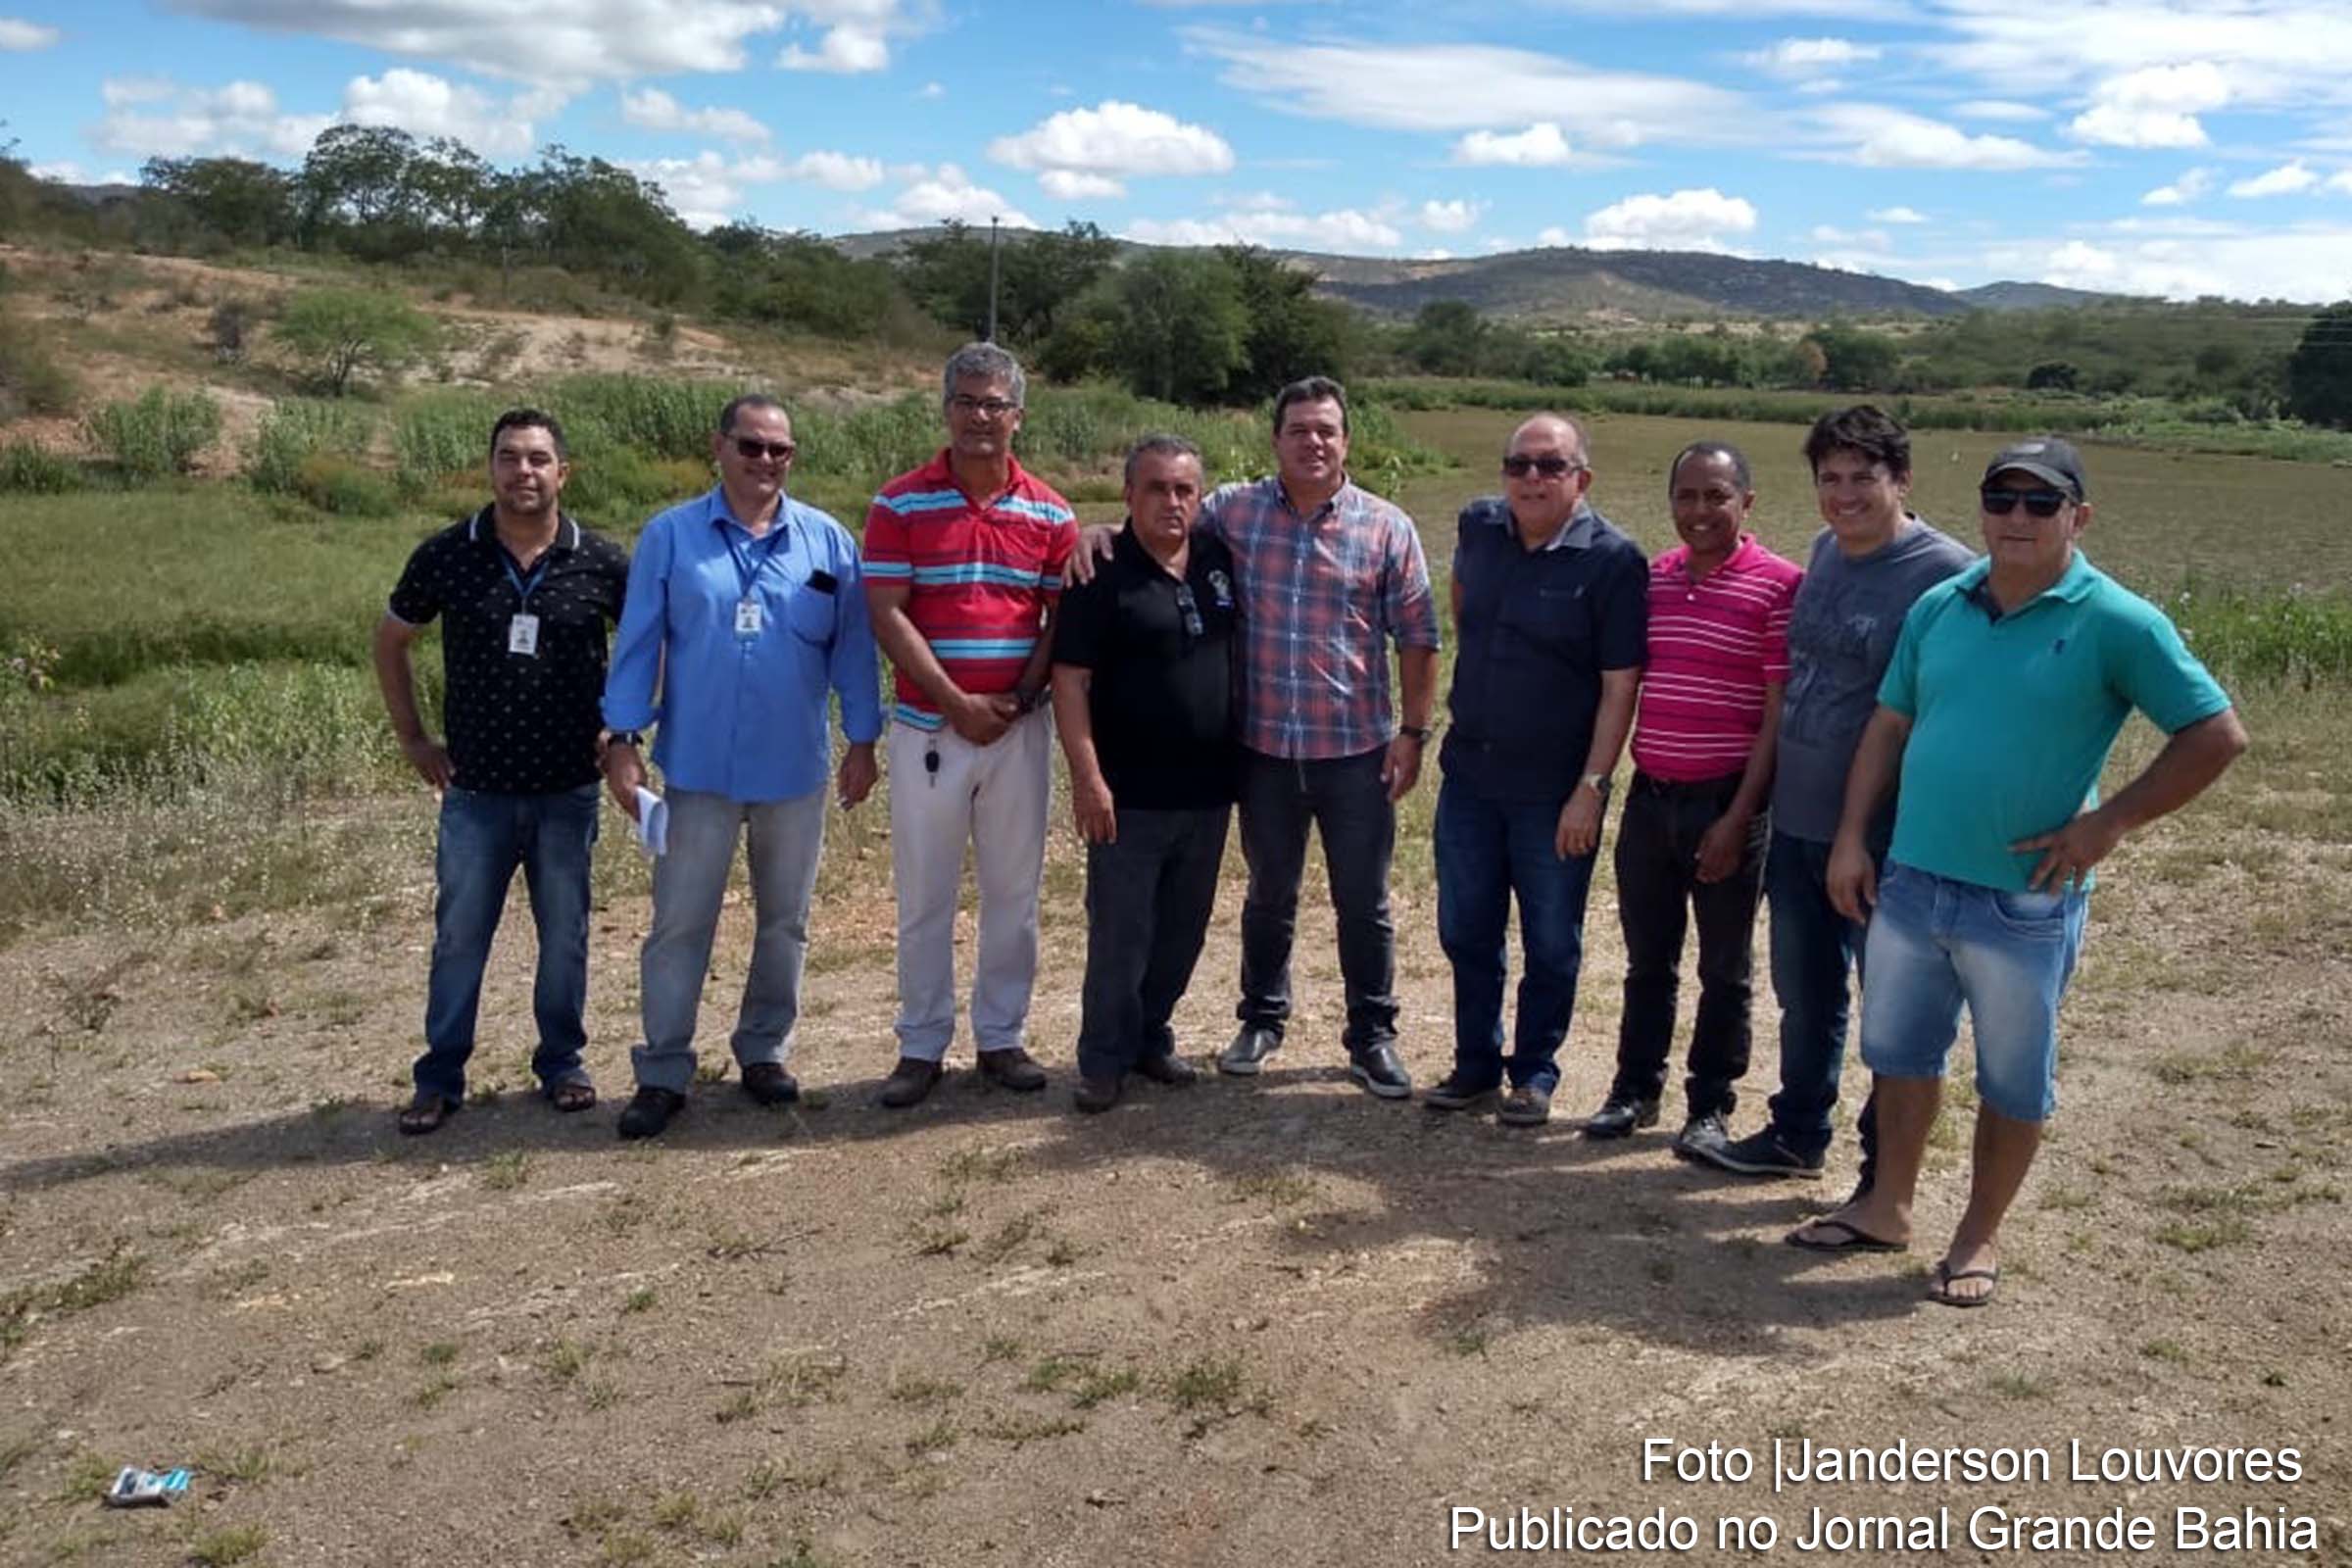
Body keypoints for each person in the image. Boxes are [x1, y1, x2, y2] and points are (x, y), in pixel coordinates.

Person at [1789, 438, 2245, 1305]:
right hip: (1914, 880)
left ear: (2080, 516)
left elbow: (2215, 733)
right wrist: (1853, 837)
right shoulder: (1941, 605)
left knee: (2012, 1076)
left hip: (2023, 901)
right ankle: (1887, 1206)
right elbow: (1888, 725)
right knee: (1901, 1056)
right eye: (2004, 500)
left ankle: (1978, 1235)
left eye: (2043, 503)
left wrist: (2107, 825)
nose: (2019, 518)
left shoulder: (2120, 620)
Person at [1685, 408, 1973, 1186]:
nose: (1844, 496)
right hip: (1800, 821)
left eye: (1863, 478)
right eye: (1829, 479)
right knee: (1806, 998)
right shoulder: (1827, 552)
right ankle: (1797, 1134)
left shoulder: (1945, 576)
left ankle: (1887, 1171)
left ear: (1902, 480)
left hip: (1886, 836)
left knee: (1893, 1009)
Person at [600, 394, 881, 1140]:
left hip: (794, 769)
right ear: (718, 447)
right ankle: (662, 1070)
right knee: (679, 924)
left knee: (785, 923)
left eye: (778, 450)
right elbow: (638, 643)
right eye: (750, 446)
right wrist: (621, 738)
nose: (764, 462)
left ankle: (764, 1053)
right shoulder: (671, 538)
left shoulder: (827, 542)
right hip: (696, 772)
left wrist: (863, 739)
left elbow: (852, 649)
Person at [374, 409, 629, 1135]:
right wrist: (414, 738)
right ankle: (440, 1076)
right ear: (489, 468)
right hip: (476, 790)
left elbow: (650, 643)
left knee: (566, 935)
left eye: (539, 459)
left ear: (563, 472)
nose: (524, 471)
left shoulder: (602, 561)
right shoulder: (449, 554)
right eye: (510, 458)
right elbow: (392, 641)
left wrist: (623, 729)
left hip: (567, 790)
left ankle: (561, 1064)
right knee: (459, 936)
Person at [864, 343, 1076, 1108]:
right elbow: (886, 613)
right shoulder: (899, 503)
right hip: (929, 728)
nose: (981, 417)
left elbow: (1058, 616)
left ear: (1018, 415)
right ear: (946, 409)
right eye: (967, 401)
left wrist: (1017, 697)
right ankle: (921, 1044)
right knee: (924, 893)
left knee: (1013, 892)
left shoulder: (1050, 510)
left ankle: (1001, 1038)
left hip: (1017, 732)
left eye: (996, 404)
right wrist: (956, 702)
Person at [1424, 415, 1644, 1127]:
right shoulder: (1479, 527)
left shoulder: (1613, 560)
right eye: (1519, 464)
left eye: (1551, 466)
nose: (1532, 479)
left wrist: (1592, 788)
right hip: (1470, 778)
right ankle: (1476, 1064)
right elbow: (1464, 610)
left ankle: (1536, 1072)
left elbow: (1620, 685)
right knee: (1466, 928)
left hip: (1554, 792)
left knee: (1551, 938)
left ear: (1582, 477)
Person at [1588, 443, 1801, 1152]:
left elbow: (1777, 716)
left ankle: (1709, 1103)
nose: (1700, 511)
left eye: (1716, 496)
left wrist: (1739, 818)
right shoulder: (1654, 579)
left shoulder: (1779, 587)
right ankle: (1634, 1088)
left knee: (1725, 967)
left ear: (1747, 502)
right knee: (1648, 960)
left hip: (1727, 806)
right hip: (1652, 801)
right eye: (1687, 496)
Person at [1051, 436, 1238, 1113]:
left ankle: (1151, 1037)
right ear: (1128, 495)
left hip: (1211, 790)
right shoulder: (1098, 571)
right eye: (1156, 487)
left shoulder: (1220, 559)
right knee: (1120, 935)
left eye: (1185, 488)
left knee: (1183, 928)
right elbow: (1069, 682)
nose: (1172, 501)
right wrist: (1087, 778)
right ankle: (1102, 1060)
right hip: (1127, 796)